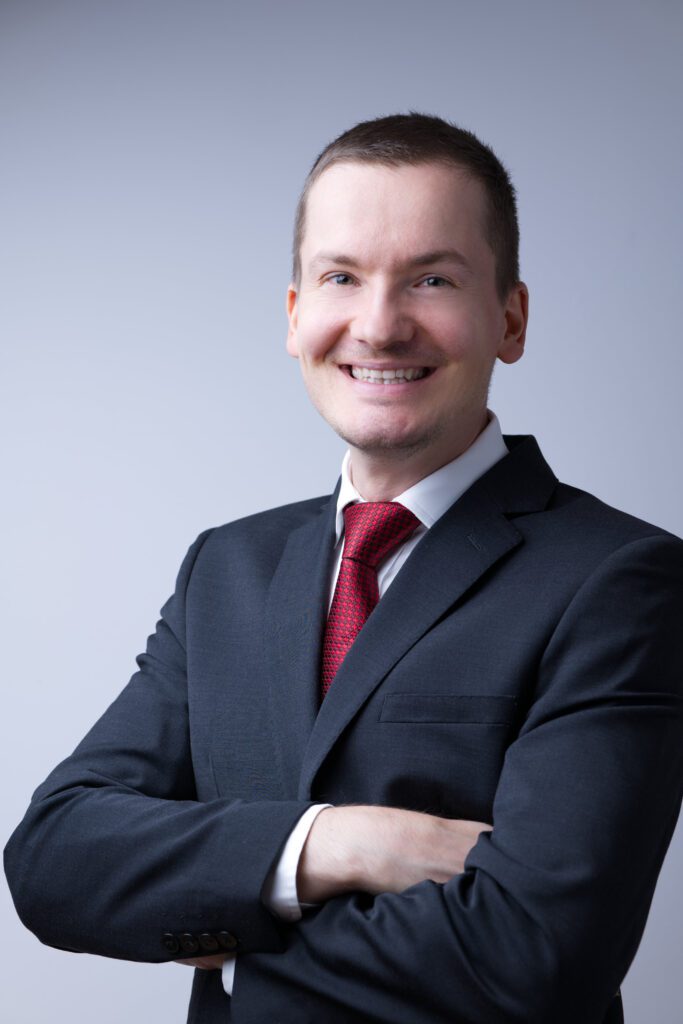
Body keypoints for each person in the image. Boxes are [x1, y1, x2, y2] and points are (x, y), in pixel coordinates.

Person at [5, 113, 683, 1024]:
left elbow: (537, 957)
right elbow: (54, 859)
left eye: (431, 279)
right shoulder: (226, 569)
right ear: (295, 317)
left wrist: (234, 936)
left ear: (509, 319)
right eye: (340, 278)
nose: (378, 324)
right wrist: (340, 843)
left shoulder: (621, 579)